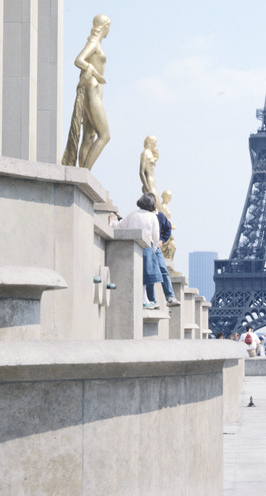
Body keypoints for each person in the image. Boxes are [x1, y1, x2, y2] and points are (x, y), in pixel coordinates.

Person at [60, 15, 112, 169]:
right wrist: (96, 74)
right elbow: (79, 60)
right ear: (104, 26)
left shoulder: (97, 44)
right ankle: (85, 172)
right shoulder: (94, 43)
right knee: (105, 135)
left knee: (89, 136)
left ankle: (82, 171)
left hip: (95, 92)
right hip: (91, 89)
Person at [122, 193, 178, 307]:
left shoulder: (159, 216)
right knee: (148, 273)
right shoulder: (148, 216)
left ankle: (169, 296)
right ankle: (151, 300)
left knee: (161, 270)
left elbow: (166, 231)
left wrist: (161, 241)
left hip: (153, 247)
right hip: (150, 247)